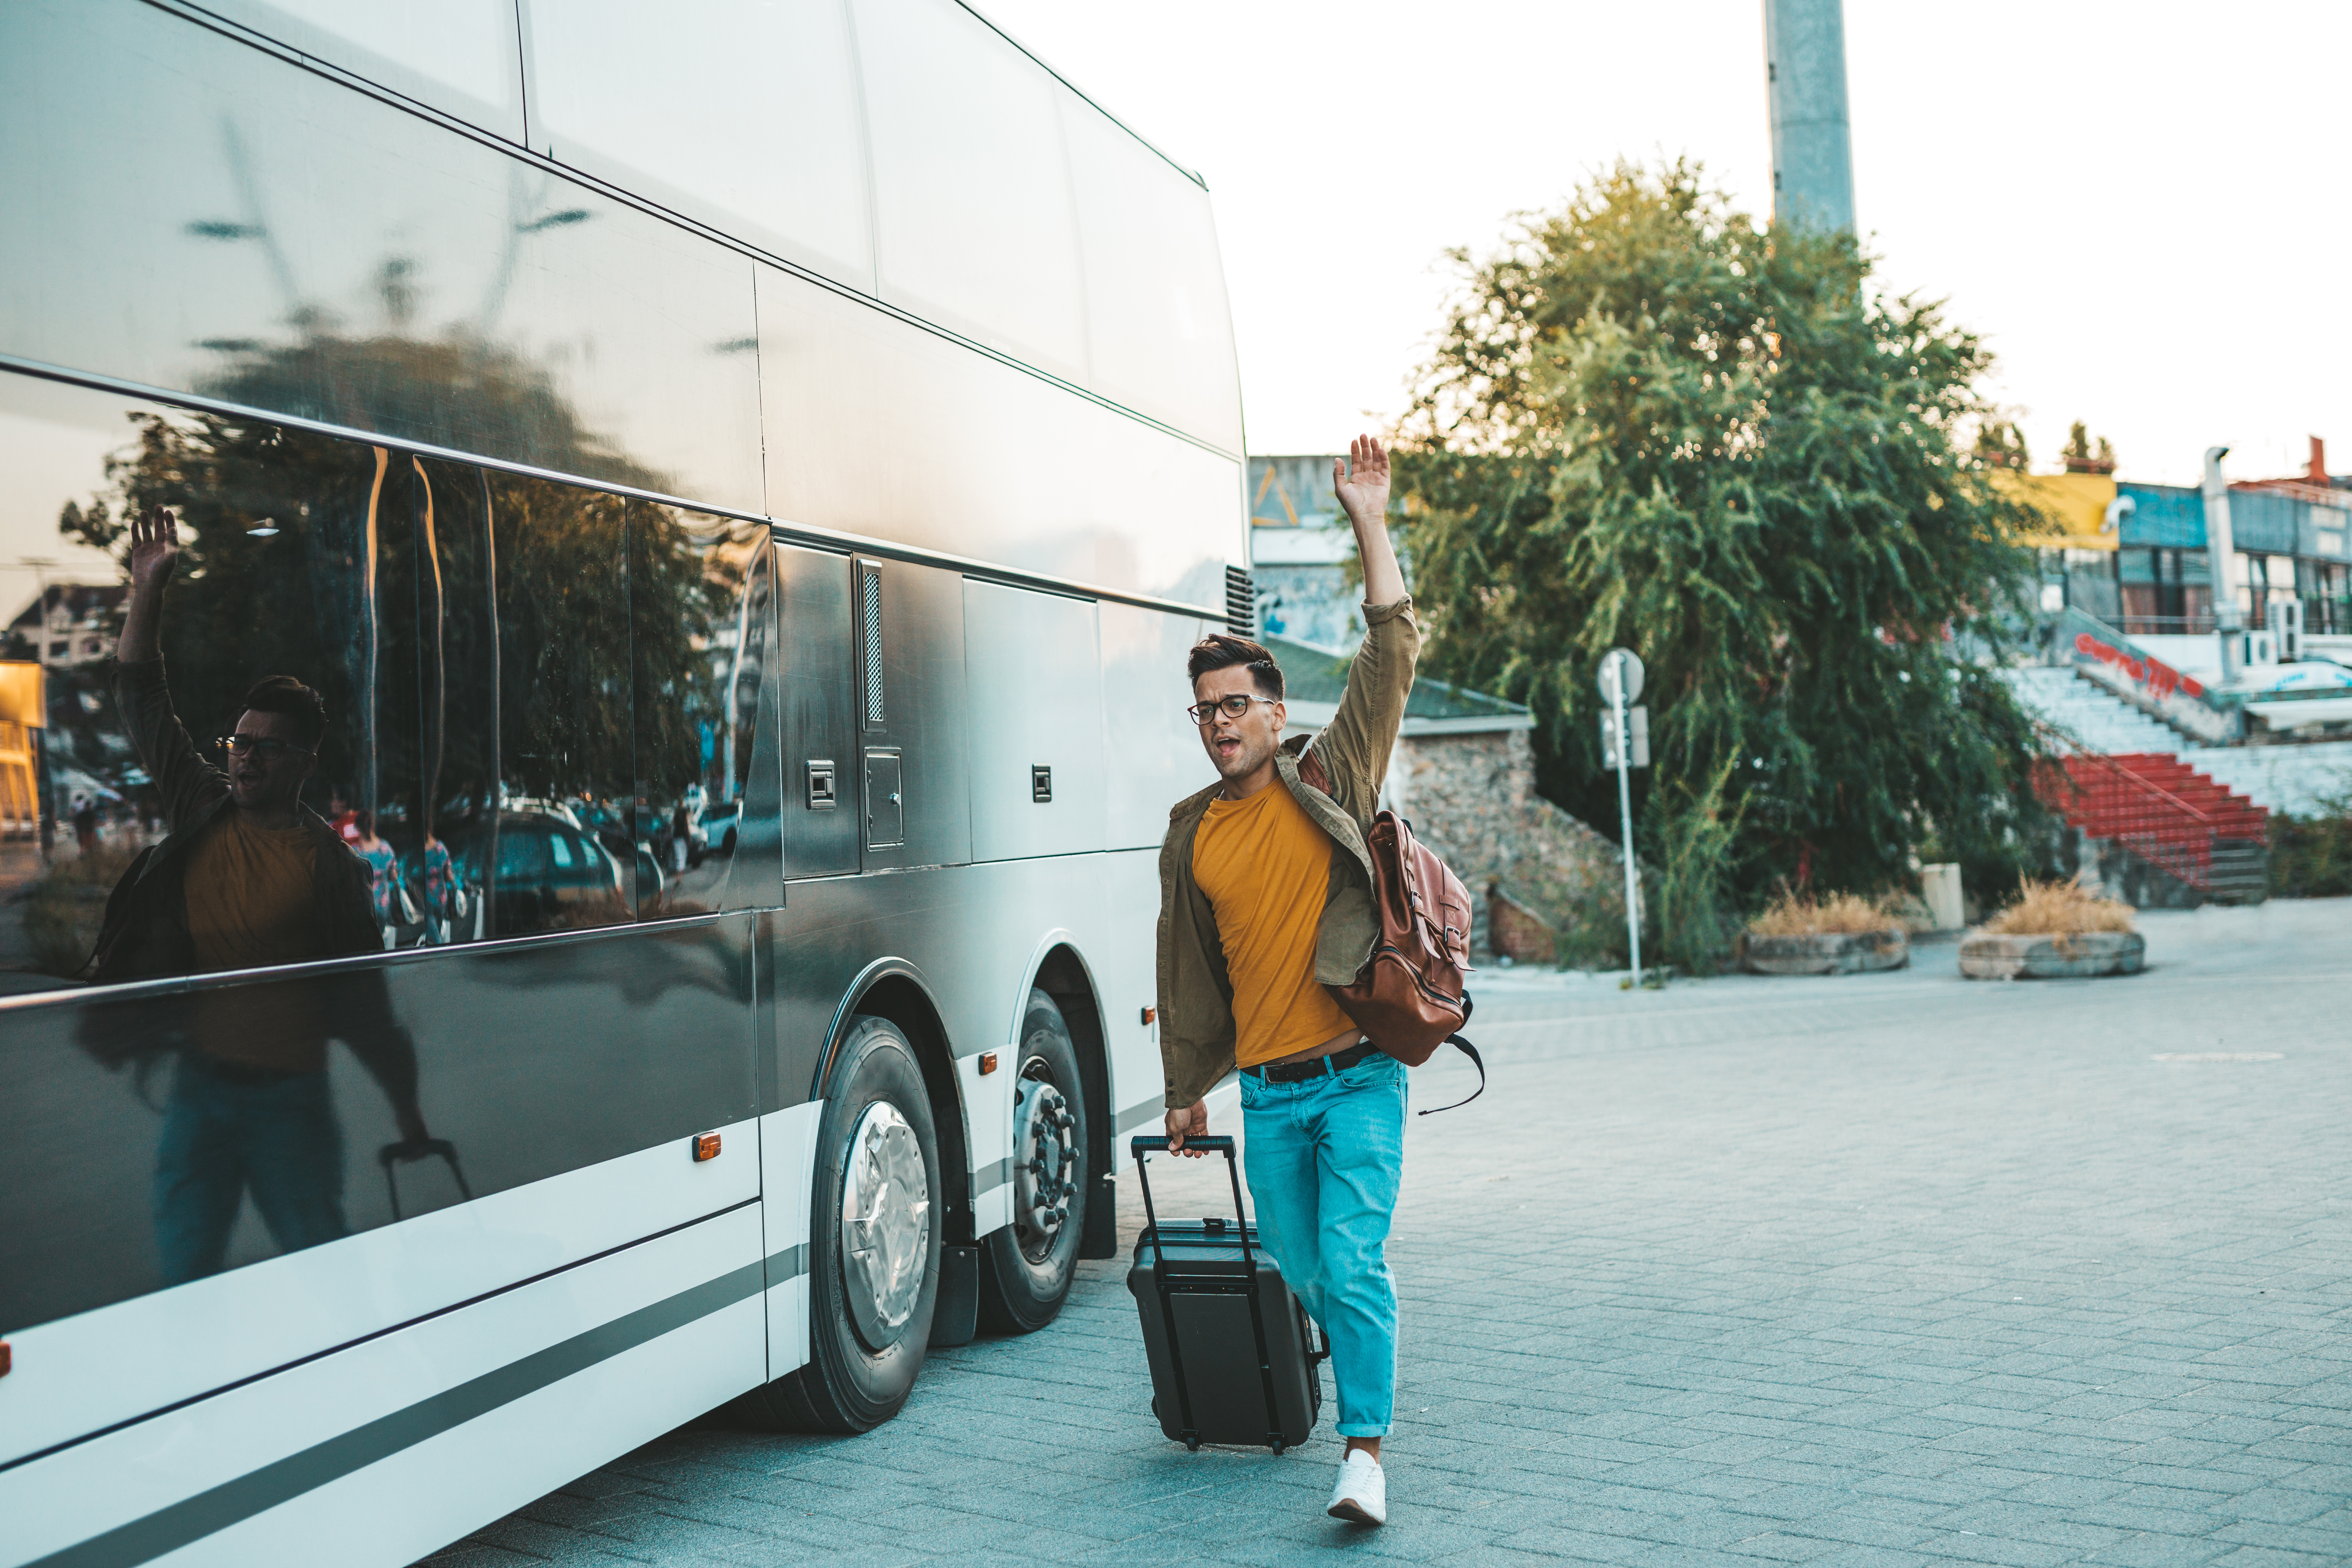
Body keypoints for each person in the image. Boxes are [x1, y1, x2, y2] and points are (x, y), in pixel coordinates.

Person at [1157, 435, 1418, 1527]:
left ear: (1273, 707)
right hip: (1267, 1090)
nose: (1220, 722)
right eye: (1204, 709)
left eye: (1235, 704)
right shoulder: (1189, 835)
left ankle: (1363, 1450)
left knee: (1351, 1260)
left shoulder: (1330, 772)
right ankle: (1355, 1341)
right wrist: (1185, 1086)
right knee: (1307, 1268)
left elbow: (1391, 649)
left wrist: (1366, 517)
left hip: (1357, 1075)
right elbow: (1184, 969)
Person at [96, 503, 430, 1286]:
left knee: (321, 1264)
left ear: (304, 760)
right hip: (199, 1094)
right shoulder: (203, 803)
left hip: (289, 1103)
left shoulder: (327, 866)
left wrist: (408, 1110)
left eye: (264, 746)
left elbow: (364, 1006)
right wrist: (149, 587)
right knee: (183, 1273)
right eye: (238, 741)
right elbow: (141, 698)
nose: (244, 757)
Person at [351, 809, 400, 936]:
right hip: (383, 907)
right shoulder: (385, 848)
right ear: (372, 825)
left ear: (358, 828)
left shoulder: (355, 852)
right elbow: (394, 876)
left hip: (364, 908)